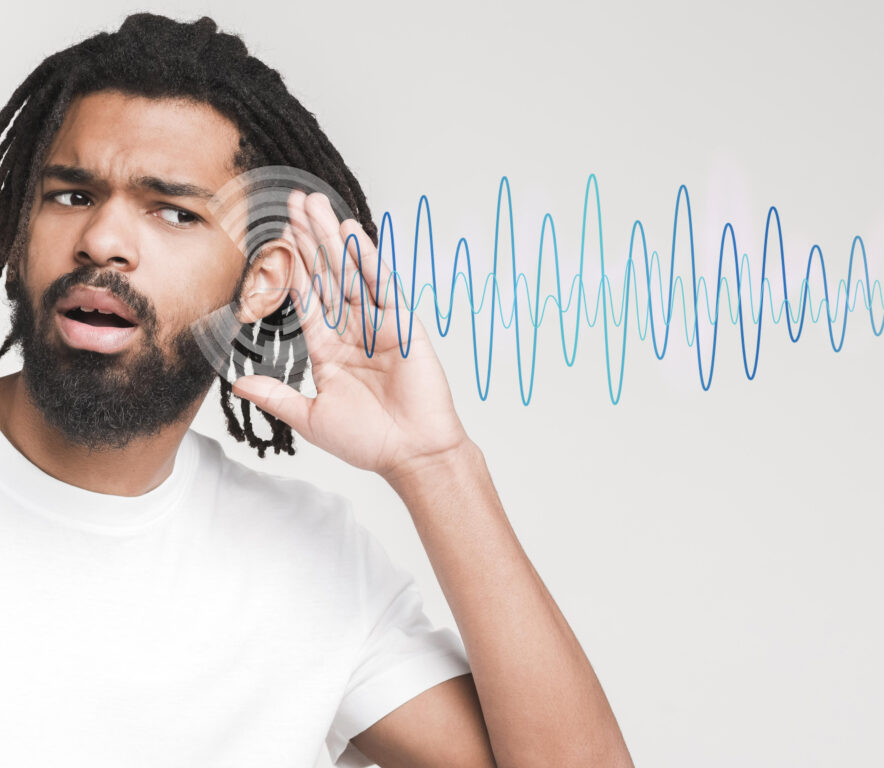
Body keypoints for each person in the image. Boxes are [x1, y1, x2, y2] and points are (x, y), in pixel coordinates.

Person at [0, 12, 634, 768]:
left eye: (173, 212)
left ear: (261, 284)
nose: (102, 239)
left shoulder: (311, 563)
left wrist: (436, 464)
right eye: (72, 196)